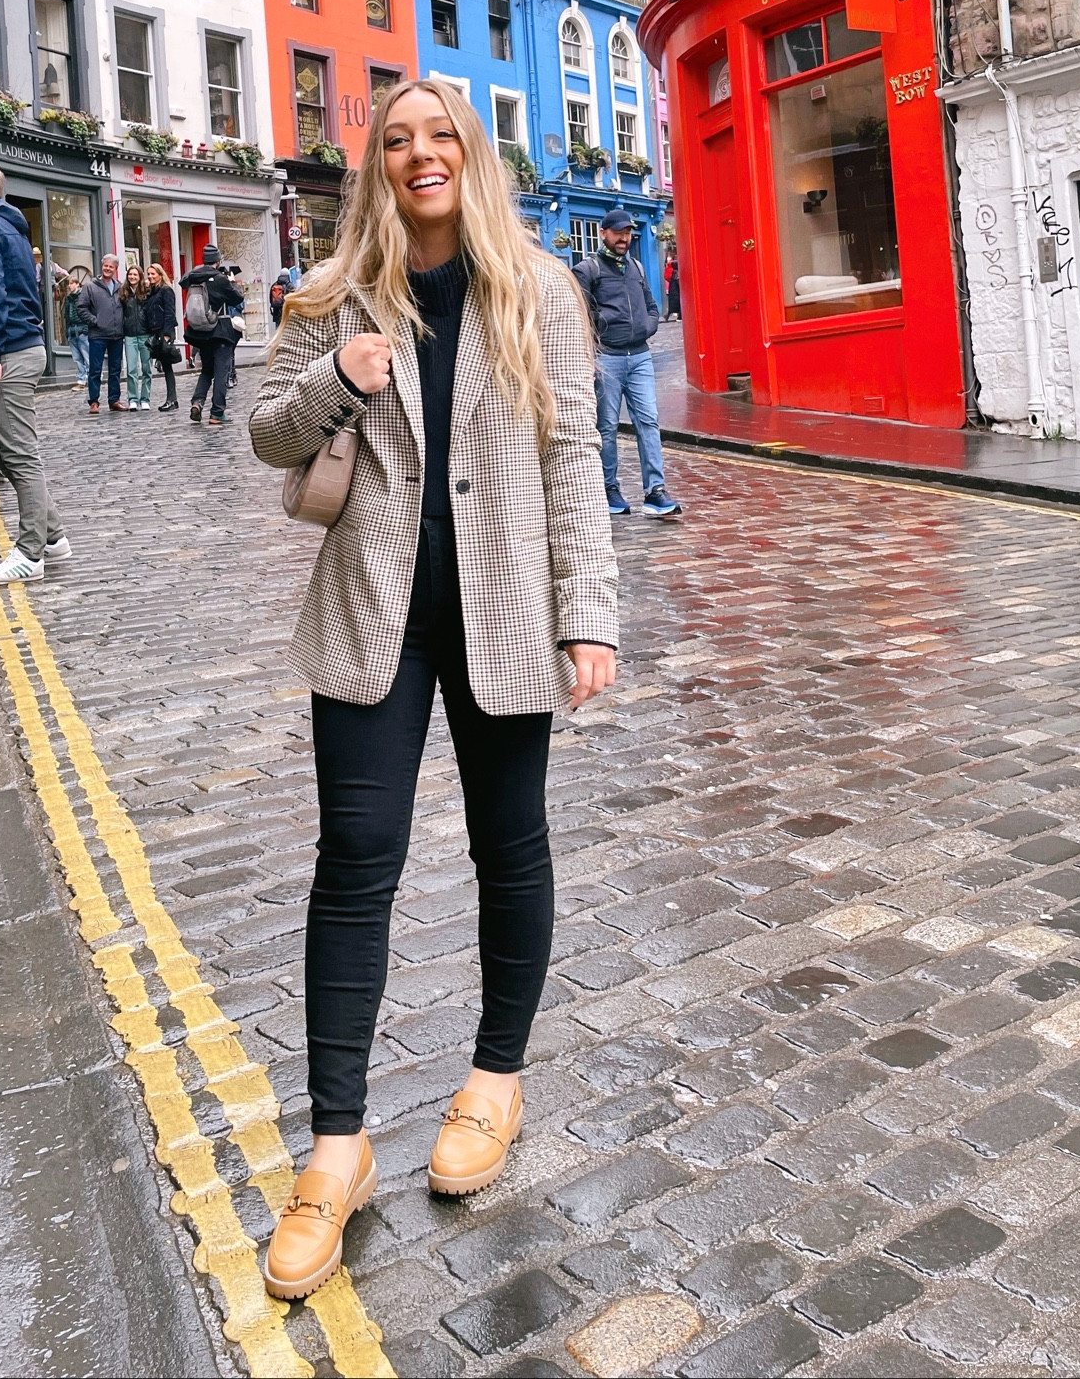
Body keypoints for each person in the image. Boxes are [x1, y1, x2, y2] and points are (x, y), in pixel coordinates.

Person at [249, 78, 617, 1302]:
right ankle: (336, 1146)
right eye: (397, 140)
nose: (420, 154)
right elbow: (269, 435)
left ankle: (494, 1077)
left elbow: (574, 460)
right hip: (375, 612)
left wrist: (589, 611)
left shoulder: (538, 291)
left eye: (439, 135)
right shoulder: (333, 295)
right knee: (356, 855)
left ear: (470, 154)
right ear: (377, 166)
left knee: (512, 845)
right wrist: (341, 376)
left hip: (504, 607)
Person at [0, 159, 71, 583]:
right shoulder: (13, 228)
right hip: (23, 346)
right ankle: (53, 537)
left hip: (8, 353)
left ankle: (30, 554)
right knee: (3, 451)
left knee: (19, 454)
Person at [575, 208, 681, 520]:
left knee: (648, 421)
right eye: (618, 232)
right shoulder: (588, 270)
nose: (624, 238)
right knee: (607, 425)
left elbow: (651, 304)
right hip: (607, 357)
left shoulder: (635, 266)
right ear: (603, 233)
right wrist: (604, 328)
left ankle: (655, 491)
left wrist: (649, 324)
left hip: (640, 356)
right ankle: (609, 488)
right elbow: (580, 314)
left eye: (628, 232)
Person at [181, 245, 245, 424]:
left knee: (207, 370)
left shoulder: (194, 277)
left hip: (201, 332)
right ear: (217, 261)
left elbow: (182, 283)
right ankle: (217, 412)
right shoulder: (220, 279)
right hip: (220, 331)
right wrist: (232, 282)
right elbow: (238, 298)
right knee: (221, 372)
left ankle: (197, 402)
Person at [77, 254, 127, 413]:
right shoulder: (90, 286)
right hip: (98, 335)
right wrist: (95, 321)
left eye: (111, 266)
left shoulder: (120, 287)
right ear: (102, 266)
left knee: (115, 370)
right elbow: (81, 308)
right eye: (106, 265)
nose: (107, 269)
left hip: (117, 335)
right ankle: (94, 401)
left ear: (115, 269)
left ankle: (114, 400)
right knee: (95, 370)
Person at [144, 264, 180, 410]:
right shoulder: (153, 292)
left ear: (160, 274)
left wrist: (166, 335)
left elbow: (170, 313)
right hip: (156, 332)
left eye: (153, 274)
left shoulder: (166, 290)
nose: (150, 276)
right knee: (165, 366)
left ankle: (172, 399)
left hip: (164, 332)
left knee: (167, 366)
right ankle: (172, 399)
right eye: (148, 274)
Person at [121, 263, 152, 409]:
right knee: (131, 369)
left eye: (135, 274)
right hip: (130, 335)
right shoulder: (123, 293)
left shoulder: (146, 291)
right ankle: (133, 398)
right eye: (130, 274)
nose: (132, 277)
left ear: (140, 276)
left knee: (147, 369)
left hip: (145, 334)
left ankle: (145, 399)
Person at [62, 266, 89, 386]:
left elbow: (88, 313)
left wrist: (86, 329)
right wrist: (67, 331)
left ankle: (91, 377)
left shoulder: (83, 296)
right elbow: (67, 316)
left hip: (82, 330)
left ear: (78, 284)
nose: (70, 286)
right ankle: (81, 378)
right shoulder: (69, 299)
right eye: (69, 283)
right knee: (77, 358)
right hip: (72, 331)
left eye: (72, 283)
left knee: (87, 356)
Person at [665, 252, 681, 323]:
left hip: (672, 293)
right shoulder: (676, 273)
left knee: (672, 307)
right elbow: (677, 282)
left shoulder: (673, 273)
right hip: (676, 293)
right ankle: (679, 317)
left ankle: (668, 316)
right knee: (679, 305)